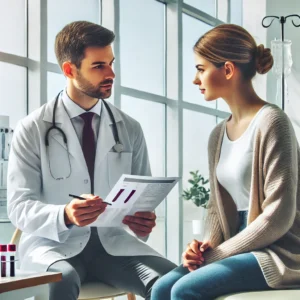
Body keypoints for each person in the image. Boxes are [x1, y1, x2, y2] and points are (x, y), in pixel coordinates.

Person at [7, 21, 176, 300]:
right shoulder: (33, 128)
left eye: (111, 63)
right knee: (61, 281)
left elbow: (141, 198)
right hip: (53, 245)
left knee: (175, 285)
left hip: (114, 246)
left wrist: (141, 221)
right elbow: (19, 206)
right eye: (98, 66)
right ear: (69, 70)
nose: (111, 73)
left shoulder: (129, 128)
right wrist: (65, 214)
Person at [151, 23, 300, 300]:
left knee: (186, 289)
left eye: (200, 69)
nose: (196, 80)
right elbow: (217, 208)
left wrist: (218, 254)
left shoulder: (272, 122)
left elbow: (278, 217)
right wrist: (206, 246)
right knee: (161, 288)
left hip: (279, 249)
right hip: (236, 243)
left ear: (228, 70)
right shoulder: (218, 135)